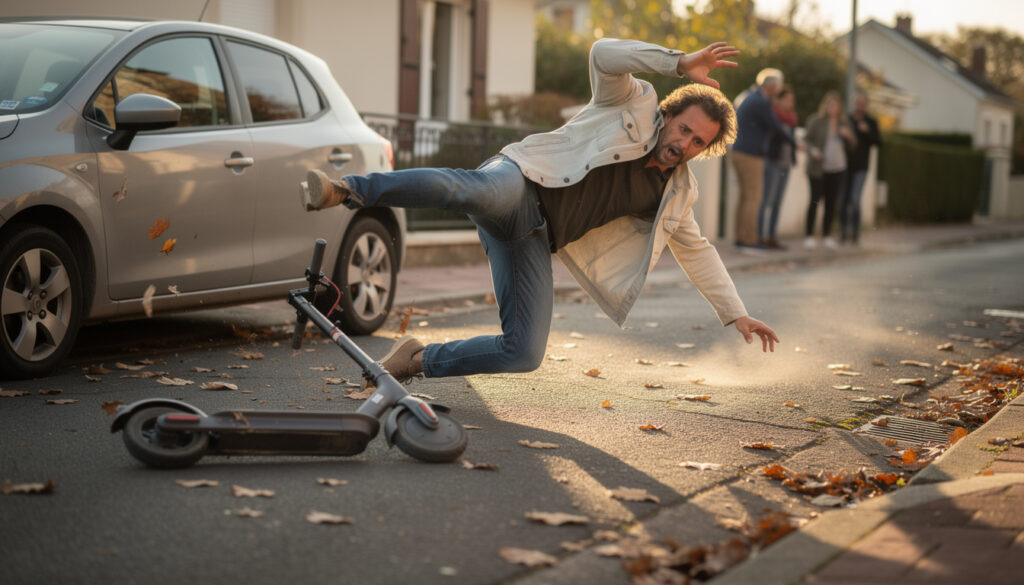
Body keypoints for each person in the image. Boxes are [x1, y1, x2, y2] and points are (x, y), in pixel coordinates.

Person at [300, 38, 779, 389]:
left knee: (524, 352)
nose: (684, 144)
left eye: (698, 142)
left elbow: (699, 253)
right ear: (671, 115)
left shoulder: (676, 193)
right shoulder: (632, 103)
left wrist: (736, 314)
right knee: (466, 188)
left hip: (532, 236)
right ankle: (346, 190)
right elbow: (602, 54)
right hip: (520, 179)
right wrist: (677, 62)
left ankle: (417, 360)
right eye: (684, 129)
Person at [731, 68, 796, 249]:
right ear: (772, 86)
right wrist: (795, 142)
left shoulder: (751, 97)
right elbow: (775, 125)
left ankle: (740, 238)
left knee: (744, 198)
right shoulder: (762, 102)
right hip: (751, 155)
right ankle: (750, 241)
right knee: (753, 198)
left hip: (739, 151)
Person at [803, 91, 856, 250]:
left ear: (839, 107)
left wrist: (848, 136)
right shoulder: (816, 121)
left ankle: (826, 236)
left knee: (831, 204)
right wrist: (813, 150)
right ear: (825, 105)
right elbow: (806, 140)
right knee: (814, 201)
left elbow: (853, 145)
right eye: (829, 104)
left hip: (837, 168)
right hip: (818, 169)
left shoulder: (844, 124)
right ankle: (809, 236)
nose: (832, 107)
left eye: (835, 104)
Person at [758, 86, 797, 250]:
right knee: (766, 200)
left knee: (778, 202)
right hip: (772, 161)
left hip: (786, 164)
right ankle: (760, 237)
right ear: (778, 100)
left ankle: (772, 237)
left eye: (792, 100)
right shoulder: (772, 115)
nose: (790, 103)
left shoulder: (792, 118)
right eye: (787, 99)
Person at [842, 93, 881, 245]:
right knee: (844, 200)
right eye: (858, 102)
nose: (860, 105)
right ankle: (844, 232)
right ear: (854, 104)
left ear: (866, 105)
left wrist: (867, 132)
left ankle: (855, 233)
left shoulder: (871, 122)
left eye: (863, 103)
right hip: (845, 166)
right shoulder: (848, 120)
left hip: (861, 167)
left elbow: (878, 142)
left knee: (855, 199)